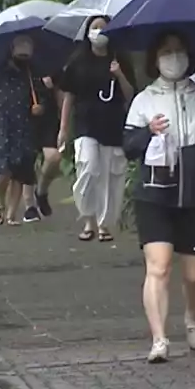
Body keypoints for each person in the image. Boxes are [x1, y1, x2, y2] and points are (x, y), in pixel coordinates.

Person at [123, 31, 195, 363]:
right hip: (155, 195)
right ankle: (159, 339)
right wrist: (148, 132)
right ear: (155, 58)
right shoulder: (144, 99)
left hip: (194, 195)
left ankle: (194, 321)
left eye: (178, 51)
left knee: (194, 275)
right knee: (159, 267)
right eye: (166, 51)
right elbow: (128, 147)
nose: (173, 57)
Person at [58, 15, 136, 241]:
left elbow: (130, 95)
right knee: (89, 169)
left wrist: (119, 74)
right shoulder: (78, 61)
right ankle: (87, 217)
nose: (99, 31)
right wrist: (63, 128)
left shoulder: (119, 60)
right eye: (95, 27)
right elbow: (68, 96)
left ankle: (103, 225)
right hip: (85, 124)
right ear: (87, 32)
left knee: (108, 177)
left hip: (112, 126)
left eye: (103, 27)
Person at [0, 35, 43, 226]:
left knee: (20, 171)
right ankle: (0, 202)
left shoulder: (33, 74)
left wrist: (40, 108)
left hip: (25, 126)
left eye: (27, 45)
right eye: (20, 46)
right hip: (2, 125)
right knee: (4, 170)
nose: (24, 50)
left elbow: (43, 99)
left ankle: (11, 214)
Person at [22, 72, 63, 222]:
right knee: (28, 161)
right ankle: (29, 206)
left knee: (54, 158)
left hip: (48, 121)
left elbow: (62, 95)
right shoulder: (21, 66)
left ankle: (41, 190)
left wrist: (52, 87)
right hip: (25, 120)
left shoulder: (52, 65)